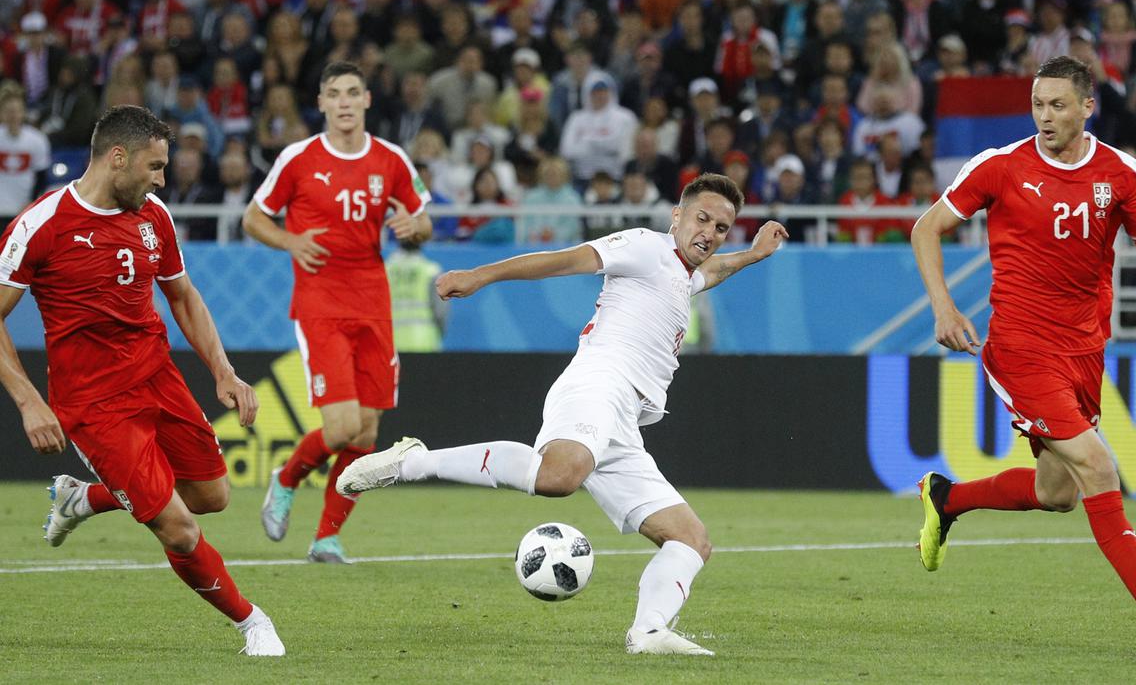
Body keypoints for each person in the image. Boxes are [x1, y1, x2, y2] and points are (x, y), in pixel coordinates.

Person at [337, 174, 788, 656]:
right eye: (702, 218)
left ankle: (649, 631)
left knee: (690, 540)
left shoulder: (684, 272)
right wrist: (480, 276)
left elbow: (710, 272)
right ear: (676, 215)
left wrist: (753, 255)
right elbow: (563, 261)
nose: (710, 233)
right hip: (598, 382)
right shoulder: (643, 246)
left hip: (625, 423)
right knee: (558, 476)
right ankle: (413, 460)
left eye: (722, 227)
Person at [911, 56, 1136, 654]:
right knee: (1100, 467)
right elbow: (927, 228)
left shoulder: (1121, 173)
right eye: (1038, 104)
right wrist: (944, 308)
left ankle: (946, 498)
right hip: (1022, 347)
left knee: (1059, 494)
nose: (1045, 116)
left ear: (1087, 107)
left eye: (1057, 105)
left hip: (1085, 351)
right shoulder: (1001, 167)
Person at [0, 105, 283, 656]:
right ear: (117, 158)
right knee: (178, 529)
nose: (161, 179)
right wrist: (30, 402)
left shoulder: (153, 216)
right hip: (93, 405)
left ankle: (81, 500)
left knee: (212, 497)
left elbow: (181, 295)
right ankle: (254, 623)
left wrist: (222, 371)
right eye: (154, 167)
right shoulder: (41, 224)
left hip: (159, 379)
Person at [242, 61, 433, 563]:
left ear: (367, 100)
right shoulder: (298, 158)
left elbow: (422, 218)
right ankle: (286, 479)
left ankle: (326, 537)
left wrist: (416, 229)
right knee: (344, 426)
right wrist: (289, 240)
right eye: (334, 94)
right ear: (322, 103)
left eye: (353, 92)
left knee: (367, 433)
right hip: (321, 302)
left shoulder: (390, 159)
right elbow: (253, 216)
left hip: (373, 302)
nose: (344, 102)